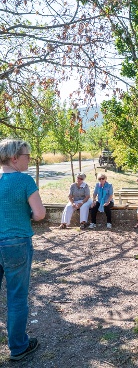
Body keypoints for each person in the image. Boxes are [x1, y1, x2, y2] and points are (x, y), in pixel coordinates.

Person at [0, 139, 45, 361]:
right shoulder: (24, 180)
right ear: (14, 158)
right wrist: (23, 214)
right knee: (17, 297)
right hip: (16, 244)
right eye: (27, 155)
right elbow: (39, 214)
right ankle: (18, 347)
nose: (30, 159)